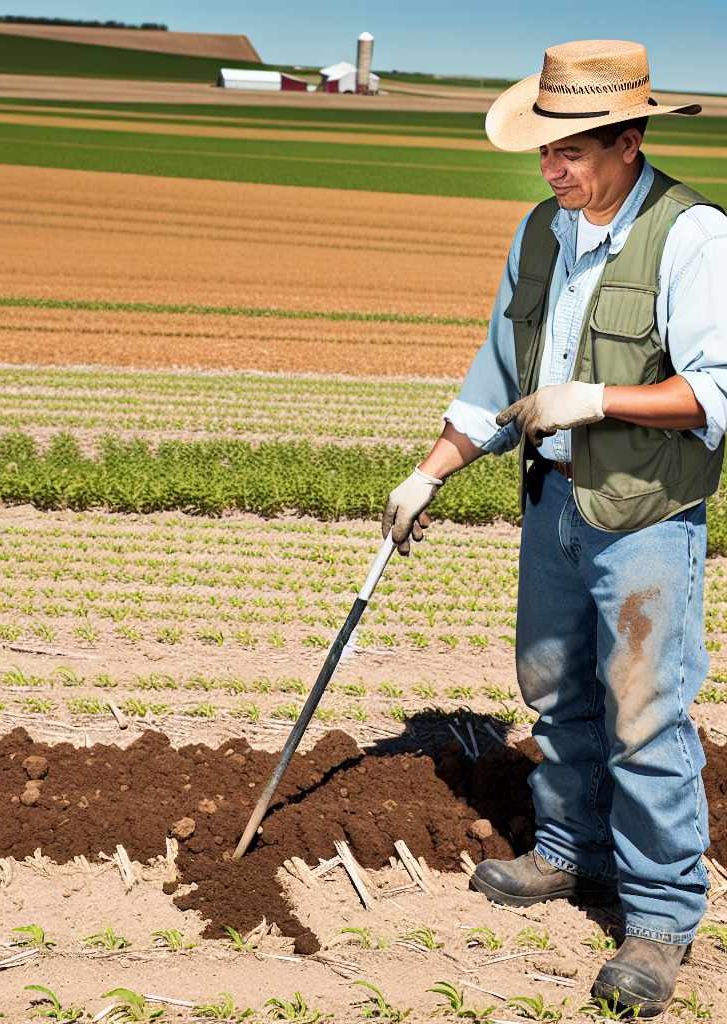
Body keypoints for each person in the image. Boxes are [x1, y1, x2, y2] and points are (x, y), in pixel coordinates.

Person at [382, 39, 727, 1017]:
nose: (550, 168)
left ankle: (659, 920)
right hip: (552, 506)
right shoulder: (540, 233)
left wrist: (598, 398)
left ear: (628, 138)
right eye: (543, 149)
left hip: (645, 518)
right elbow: (496, 381)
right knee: (550, 687)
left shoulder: (693, 238)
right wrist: (430, 470)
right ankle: (569, 850)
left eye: (569, 150)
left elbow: (716, 391)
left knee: (643, 711)